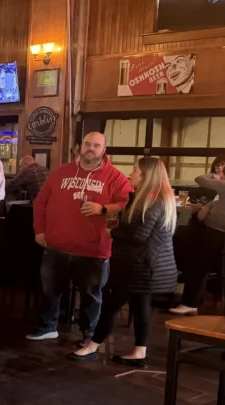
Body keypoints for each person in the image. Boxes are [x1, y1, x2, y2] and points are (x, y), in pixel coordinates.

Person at [68, 158, 178, 367]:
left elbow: (139, 234)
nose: (131, 173)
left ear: (146, 175)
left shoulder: (150, 201)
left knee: (112, 305)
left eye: (136, 170)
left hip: (140, 266)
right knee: (140, 306)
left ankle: (92, 347)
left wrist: (113, 231)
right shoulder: (158, 197)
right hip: (147, 266)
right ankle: (138, 352)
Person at [28, 132, 133, 344]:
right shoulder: (61, 172)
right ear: (80, 147)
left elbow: (128, 206)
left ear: (103, 151)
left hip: (93, 248)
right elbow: (41, 202)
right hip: (56, 244)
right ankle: (48, 327)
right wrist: (39, 230)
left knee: (91, 296)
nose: (90, 149)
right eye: (87, 144)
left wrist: (102, 208)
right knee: (50, 291)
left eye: (96, 145)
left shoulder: (115, 177)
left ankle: (89, 335)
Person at [169, 159, 225, 315]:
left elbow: (199, 179)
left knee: (197, 263)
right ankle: (188, 297)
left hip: (214, 232)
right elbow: (218, 201)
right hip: (221, 232)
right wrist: (208, 206)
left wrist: (215, 175)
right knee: (191, 250)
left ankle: (189, 301)